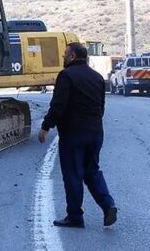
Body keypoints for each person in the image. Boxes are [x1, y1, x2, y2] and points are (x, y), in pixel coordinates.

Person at [38, 42, 118, 228]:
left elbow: (58, 105)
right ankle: (108, 205)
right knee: (92, 171)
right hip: (96, 132)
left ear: (73, 56)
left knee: (73, 174)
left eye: (65, 53)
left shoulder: (66, 76)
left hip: (73, 134)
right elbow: (101, 107)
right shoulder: (97, 77)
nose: (63, 56)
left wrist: (45, 126)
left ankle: (75, 216)